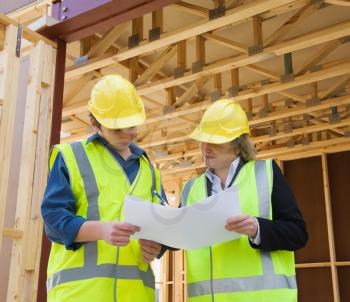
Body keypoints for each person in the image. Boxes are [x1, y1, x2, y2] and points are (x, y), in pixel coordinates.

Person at [41, 74, 167, 302]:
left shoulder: (150, 171)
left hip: (137, 295)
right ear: (95, 124)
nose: (128, 133)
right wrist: (100, 230)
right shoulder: (71, 157)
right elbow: (53, 219)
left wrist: (158, 246)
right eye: (117, 128)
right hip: (80, 295)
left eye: (131, 125)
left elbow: (164, 222)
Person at [180, 98, 308, 302]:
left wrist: (257, 229)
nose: (205, 148)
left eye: (215, 141)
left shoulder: (266, 173)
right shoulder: (190, 189)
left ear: (238, 146)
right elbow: (178, 234)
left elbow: (298, 234)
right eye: (204, 140)